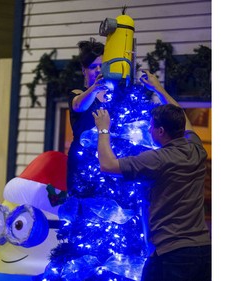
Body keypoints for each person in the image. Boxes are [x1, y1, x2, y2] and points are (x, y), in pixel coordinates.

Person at [92, 70, 211, 281]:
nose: (148, 129)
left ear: (161, 131)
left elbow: (108, 165)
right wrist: (158, 88)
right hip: (202, 249)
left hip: (171, 254)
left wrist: (103, 130)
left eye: (152, 126)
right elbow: (182, 117)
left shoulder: (158, 159)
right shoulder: (196, 148)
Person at [67, 38, 108, 192]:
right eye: (92, 67)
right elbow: (78, 105)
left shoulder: (113, 95)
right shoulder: (77, 93)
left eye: (101, 66)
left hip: (106, 158)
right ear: (84, 70)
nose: (98, 71)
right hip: (82, 161)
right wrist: (95, 89)